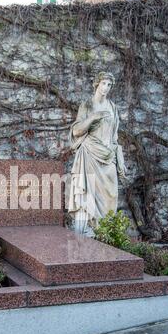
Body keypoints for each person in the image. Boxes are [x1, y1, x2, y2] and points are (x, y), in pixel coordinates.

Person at [68, 72, 127, 236]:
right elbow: (77, 131)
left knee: (111, 195)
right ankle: (87, 232)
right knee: (88, 195)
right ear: (96, 84)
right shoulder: (87, 105)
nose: (106, 88)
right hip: (90, 154)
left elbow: (114, 138)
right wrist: (93, 117)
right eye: (103, 84)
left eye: (109, 85)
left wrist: (120, 160)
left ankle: (106, 233)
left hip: (108, 157)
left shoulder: (113, 107)